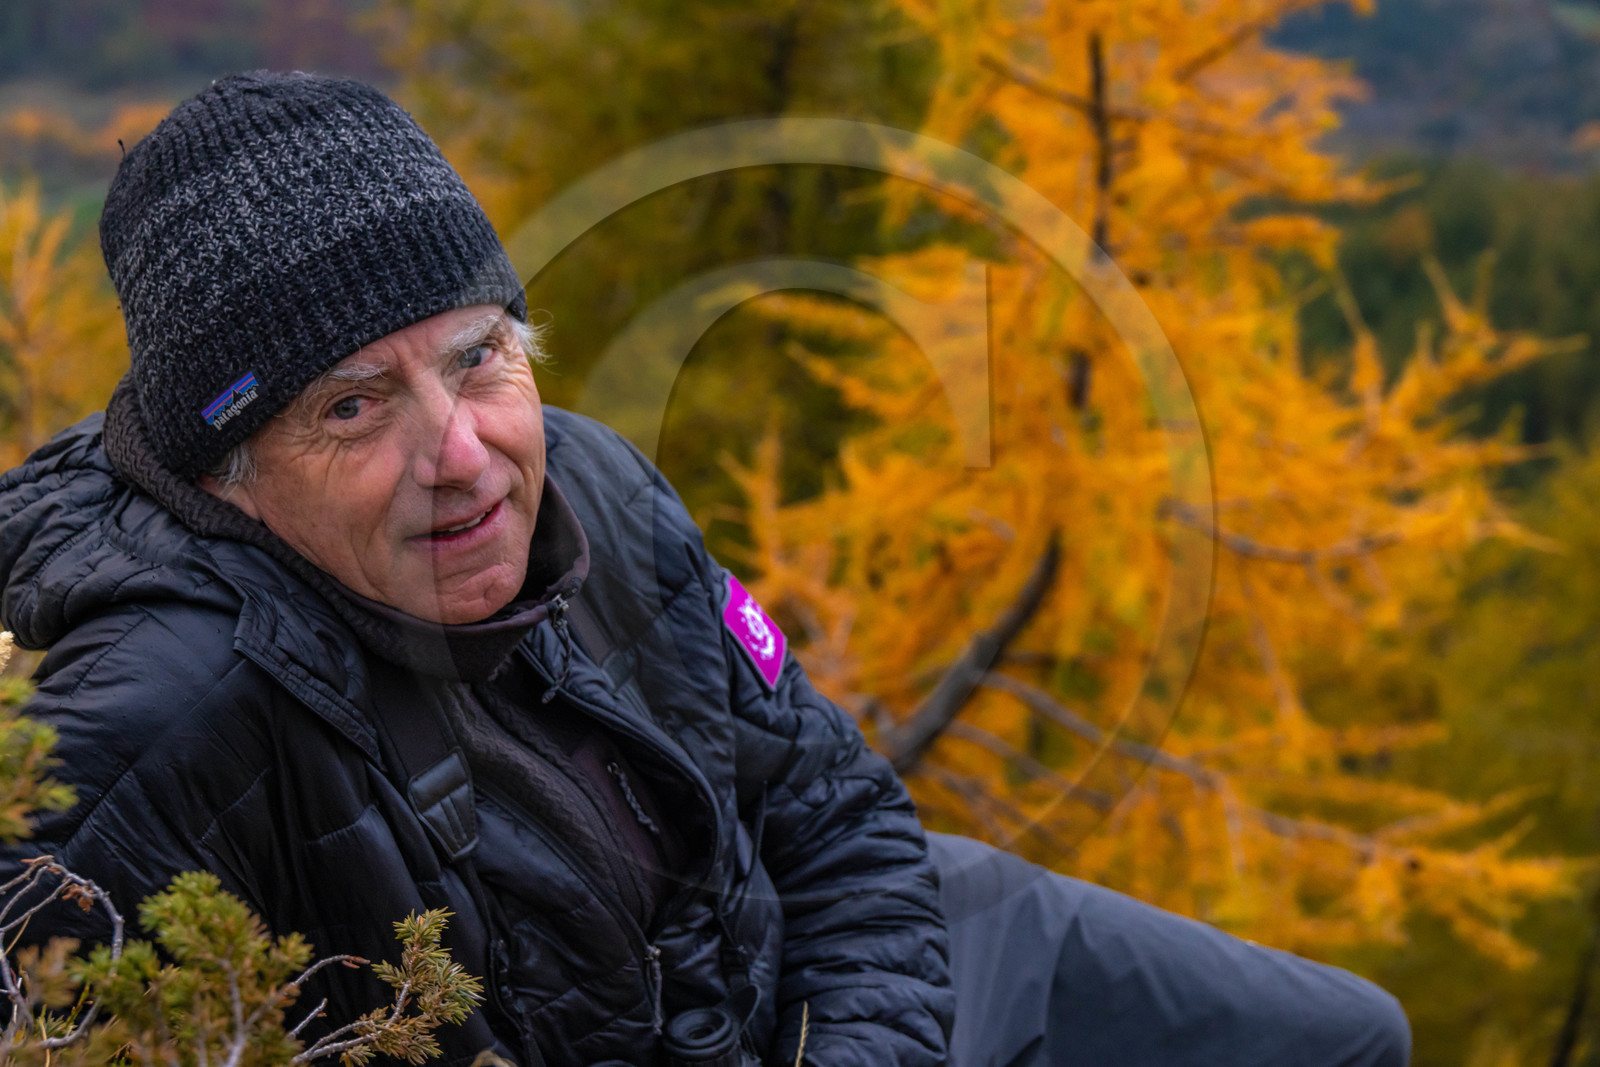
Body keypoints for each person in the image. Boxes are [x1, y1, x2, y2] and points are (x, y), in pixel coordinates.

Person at [0, 71, 1410, 1067]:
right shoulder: (160, 708)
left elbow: (837, 806)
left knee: (1345, 1037)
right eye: (354, 407)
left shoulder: (596, 479)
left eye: (478, 358)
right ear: (224, 470)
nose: (468, 455)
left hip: (804, 985)